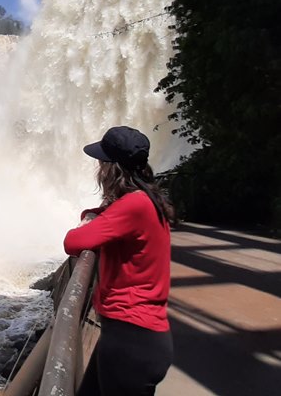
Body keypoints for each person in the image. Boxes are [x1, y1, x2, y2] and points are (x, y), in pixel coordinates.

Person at [63, 126, 174, 396]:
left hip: (131, 340)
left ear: (111, 168)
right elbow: (105, 217)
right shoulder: (146, 199)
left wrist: (89, 220)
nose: (98, 168)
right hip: (133, 336)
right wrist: (94, 214)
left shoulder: (132, 206)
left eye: (101, 162)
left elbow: (73, 242)